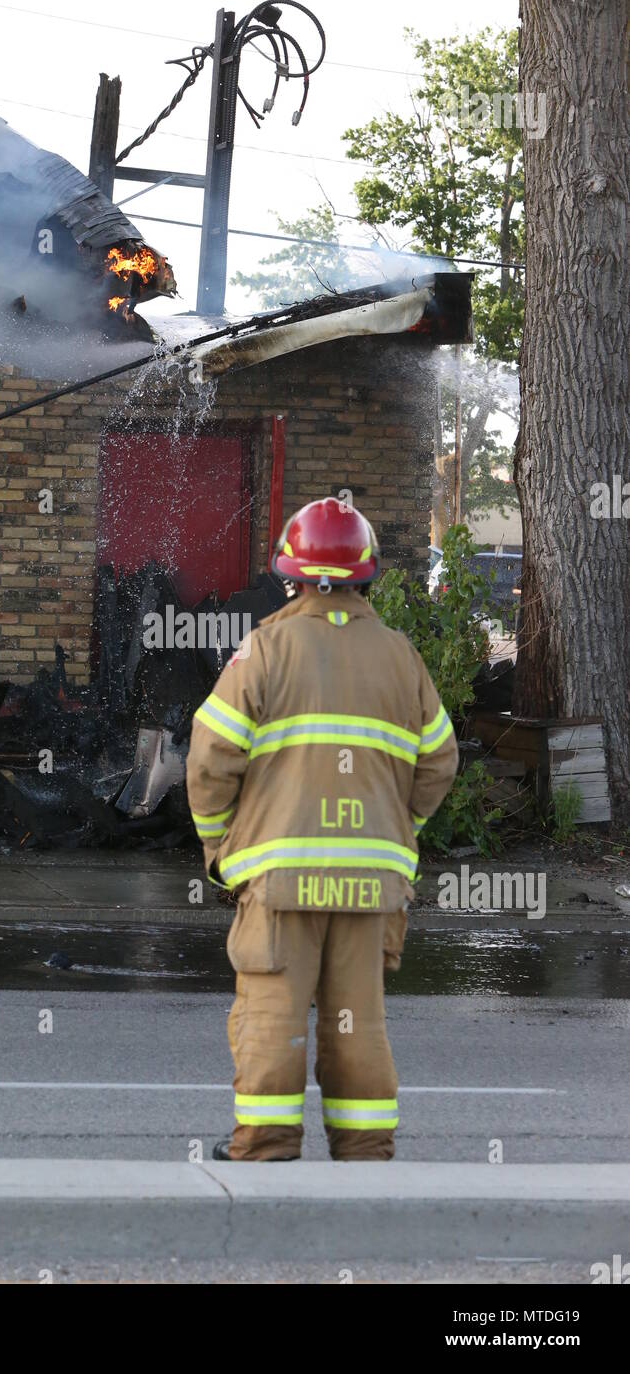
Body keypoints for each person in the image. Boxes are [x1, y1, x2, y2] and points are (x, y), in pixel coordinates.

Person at [186, 498, 458, 1161]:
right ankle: (365, 1149)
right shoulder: (401, 657)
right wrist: (397, 831)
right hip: (372, 884)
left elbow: (208, 760)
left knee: (274, 1010)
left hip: (279, 881)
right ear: (365, 577)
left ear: (292, 576)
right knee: (358, 1019)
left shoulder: (263, 652)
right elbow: (440, 759)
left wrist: (220, 848)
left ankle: (268, 1145)